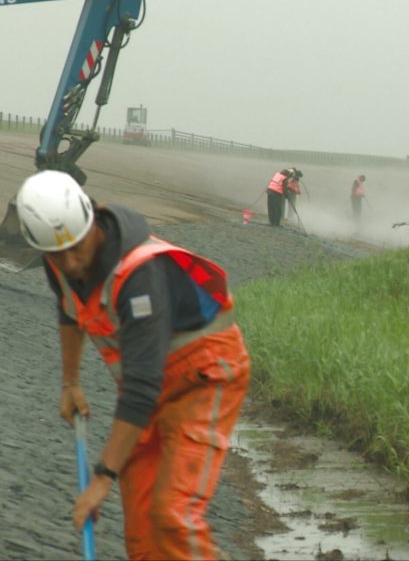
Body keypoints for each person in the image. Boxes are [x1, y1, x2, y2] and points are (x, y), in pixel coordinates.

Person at [15, 170, 252, 560]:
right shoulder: (58, 256)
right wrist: (70, 382)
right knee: (142, 533)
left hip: (205, 378)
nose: (70, 263)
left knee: (173, 517)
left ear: (90, 221)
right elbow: (70, 307)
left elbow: (141, 388)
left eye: (77, 247)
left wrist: (102, 478)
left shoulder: (141, 275)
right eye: (58, 255)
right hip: (150, 387)